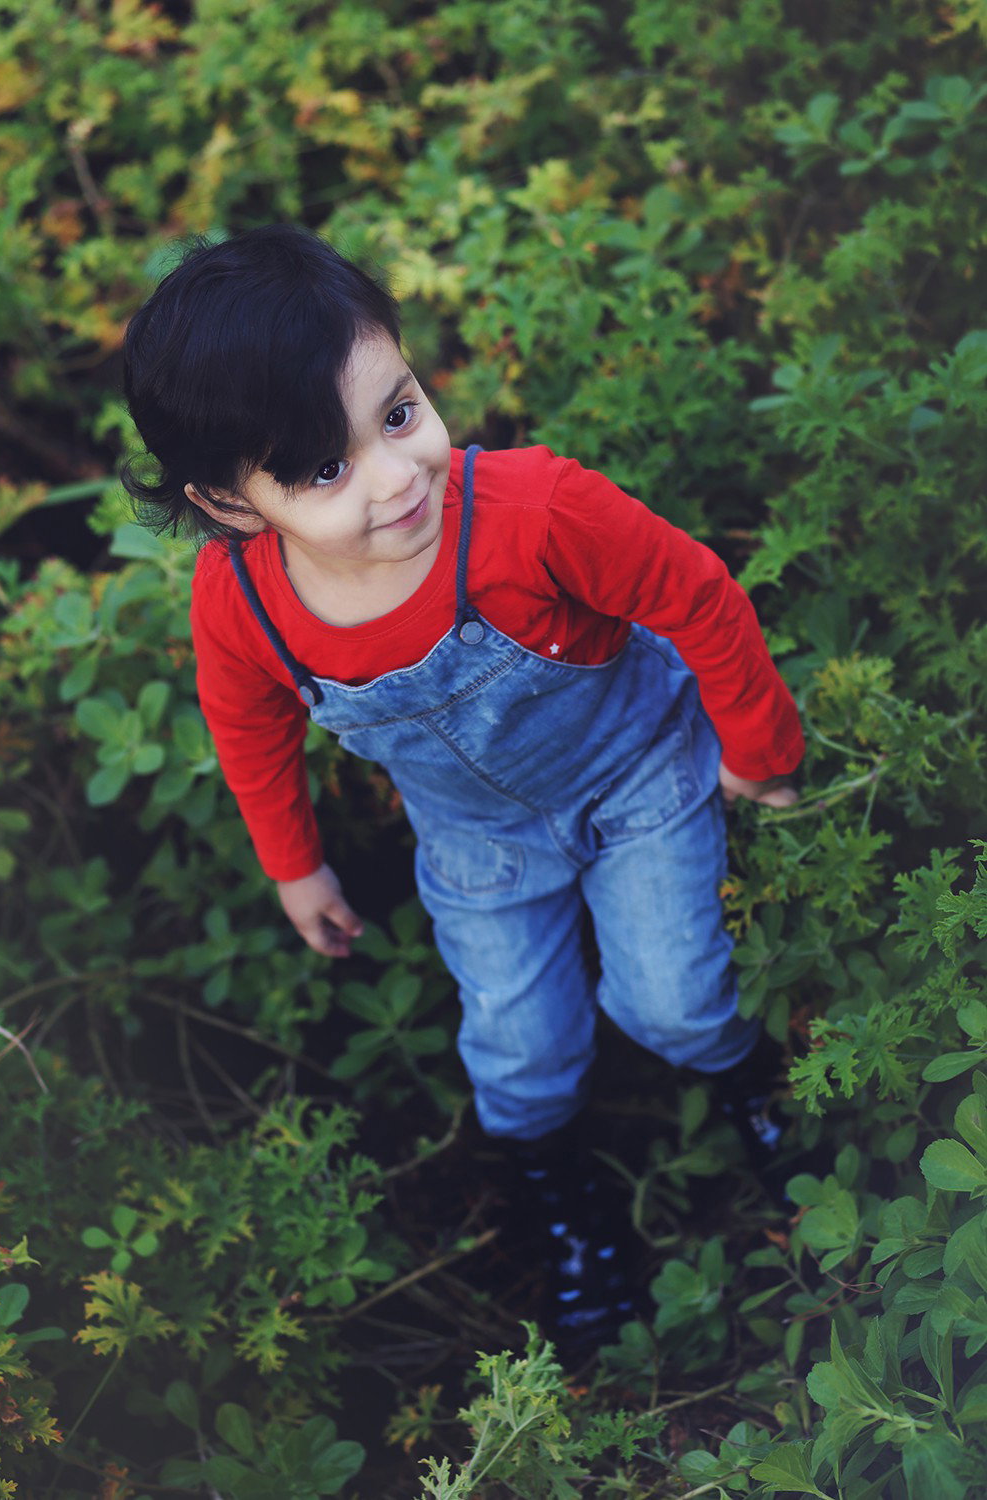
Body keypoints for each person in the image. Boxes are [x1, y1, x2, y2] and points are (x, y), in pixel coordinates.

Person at [121, 223, 803, 1350]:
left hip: (637, 772)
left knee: (671, 999)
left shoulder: (534, 513)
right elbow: (246, 726)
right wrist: (294, 866)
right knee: (520, 1056)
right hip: (479, 840)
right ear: (238, 507)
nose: (397, 476)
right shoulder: (240, 602)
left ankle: (754, 1090)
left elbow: (697, 596)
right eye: (328, 469)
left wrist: (756, 746)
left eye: (398, 413)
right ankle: (568, 1207)